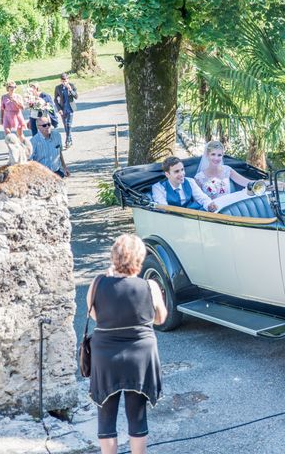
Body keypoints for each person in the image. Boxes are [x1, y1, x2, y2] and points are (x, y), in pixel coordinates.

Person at [87, 234, 167, 454]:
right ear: (140, 258)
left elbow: (94, 315)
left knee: (106, 416)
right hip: (140, 356)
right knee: (137, 416)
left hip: (105, 355)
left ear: (114, 256)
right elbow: (161, 318)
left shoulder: (97, 283)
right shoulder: (149, 285)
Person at [152, 156, 218, 211]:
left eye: (182, 170)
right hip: (172, 218)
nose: (182, 174)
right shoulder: (158, 187)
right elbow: (163, 208)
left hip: (192, 213)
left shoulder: (190, 181)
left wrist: (209, 204)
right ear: (167, 174)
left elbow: (202, 197)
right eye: (177, 171)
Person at [54, 72, 78, 149]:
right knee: (65, 125)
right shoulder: (57, 88)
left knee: (69, 124)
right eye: (63, 81)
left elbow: (76, 96)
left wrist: (70, 90)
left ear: (68, 79)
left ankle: (67, 141)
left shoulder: (72, 86)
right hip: (62, 109)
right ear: (60, 81)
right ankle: (70, 139)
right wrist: (59, 109)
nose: (64, 82)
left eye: (66, 80)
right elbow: (55, 99)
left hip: (70, 108)